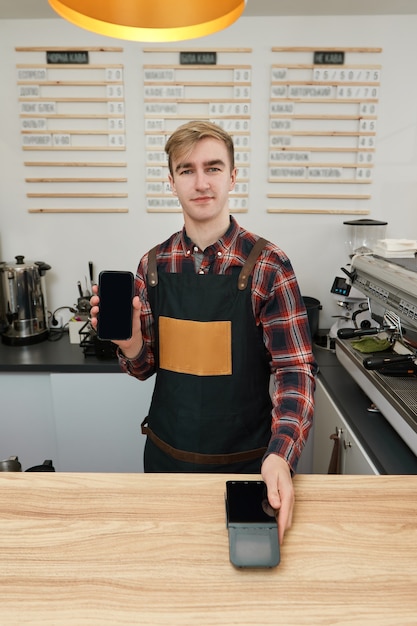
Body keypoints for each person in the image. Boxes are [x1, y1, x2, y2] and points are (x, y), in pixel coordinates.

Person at [90, 120, 317, 543]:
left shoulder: (269, 266)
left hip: (251, 467)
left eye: (213, 168)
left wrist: (281, 457)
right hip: (166, 461)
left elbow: (295, 374)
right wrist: (131, 343)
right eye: (186, 170)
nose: (201, 183)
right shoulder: (152, 266)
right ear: (171, 182)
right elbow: (144, 368)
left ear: (232, 176)